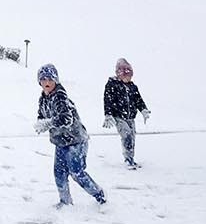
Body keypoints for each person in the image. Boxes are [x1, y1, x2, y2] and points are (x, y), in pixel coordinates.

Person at [35, 63, 106, 208]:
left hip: (75, 141)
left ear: (56, 80)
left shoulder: (60, 97)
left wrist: (48, 124)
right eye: (43, 79)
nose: (47, 82)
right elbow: (41, 115)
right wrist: (40, 123)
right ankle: (65, 201)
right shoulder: (43, 99)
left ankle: (99, 195)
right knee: (59, 173)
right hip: (60, 141)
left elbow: (66, 119)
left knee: (76, 172)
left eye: (50, 79)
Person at [102, 57, 150, 169]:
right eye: (126, 75)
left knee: (132, 137)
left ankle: (131, 158)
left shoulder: (133, 87)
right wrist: (108, 114)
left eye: (130, 75)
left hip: (131, 117)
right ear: (119, 74)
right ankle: (128, 160)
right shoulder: (112, 85)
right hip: (119, 117)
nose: (129, 78)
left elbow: (138, 99)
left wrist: (143, 109)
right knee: (127, 135)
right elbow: (107, 100)